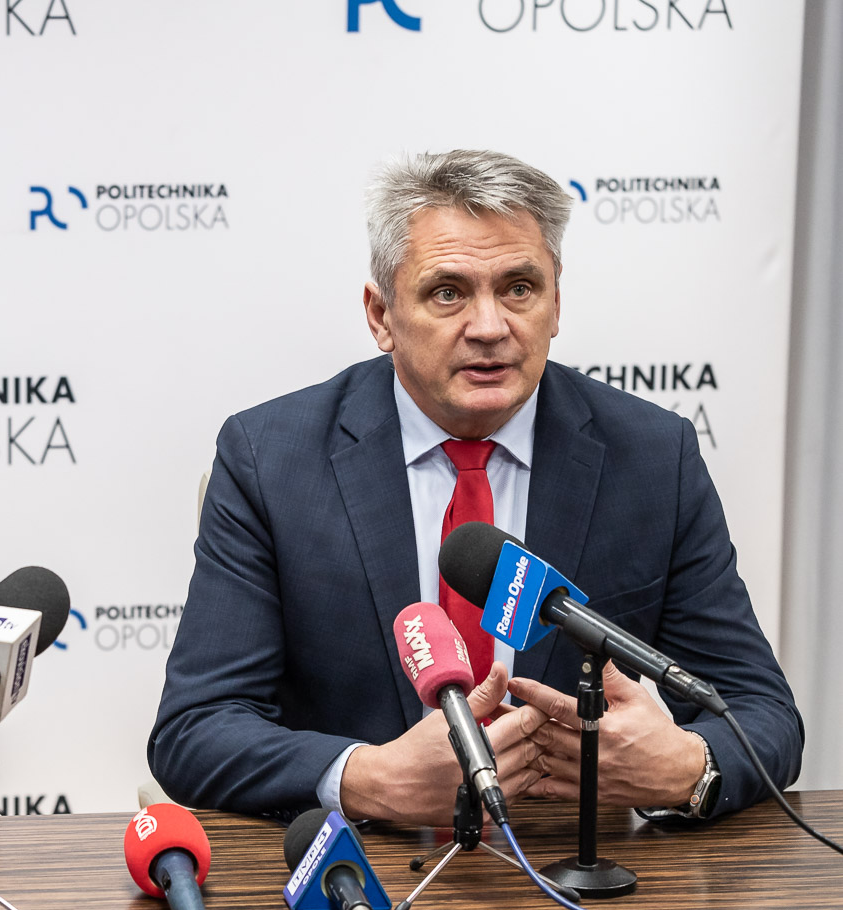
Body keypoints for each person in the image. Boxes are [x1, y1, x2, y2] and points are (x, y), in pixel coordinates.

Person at [149, 150, 802, 828]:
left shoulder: (650, 457)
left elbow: (760, 712)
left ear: (556, 304)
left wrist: (689, 769)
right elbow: (195, 730)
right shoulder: (272, 460)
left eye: (519, 287)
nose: (490, 327)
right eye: (448, 293)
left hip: (579, 880)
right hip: (360, 873)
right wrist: (368, 778)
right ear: (381, 316)